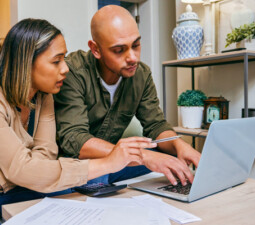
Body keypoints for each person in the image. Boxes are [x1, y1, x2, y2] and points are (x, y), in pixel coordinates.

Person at [0, 18, 156, 225]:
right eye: (56, 61)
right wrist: (109, 163)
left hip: (3, 186)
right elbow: (24, 168)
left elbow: (44, 157)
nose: (65, 69)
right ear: (26, 63)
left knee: (75, 194)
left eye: (64, 59)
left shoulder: (44, 96)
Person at [54, 5, 201, 187]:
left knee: (172, 160)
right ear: (96, 49)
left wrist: (179, 144)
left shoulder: (141, 74)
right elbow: (74, 139)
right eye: (119, 50)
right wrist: (143, 155)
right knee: (102, 177)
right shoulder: (72, 72)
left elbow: (155, 125)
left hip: (117, 163)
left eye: (136, 45)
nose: (133, 58)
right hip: (77, 166)